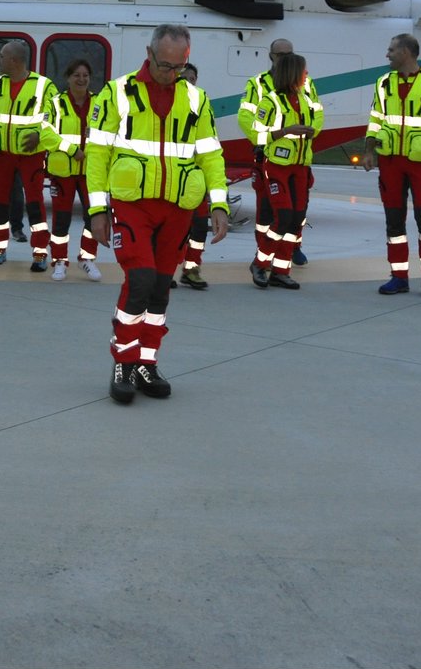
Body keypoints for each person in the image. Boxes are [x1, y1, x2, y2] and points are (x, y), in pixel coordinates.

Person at [87, 24, 230, 404]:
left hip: (179, 208)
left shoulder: (197, 99)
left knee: (161, 290)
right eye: (161, 64)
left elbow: (211, 155)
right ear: (149, 53)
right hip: (132, 204)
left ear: (186, 60)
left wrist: (219, 203)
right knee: (140, 281)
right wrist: (97, 209)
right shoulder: (117, 93)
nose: (168, 73)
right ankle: (124, 362)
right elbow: (97, 155)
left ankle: (148, 362)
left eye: (176, 67)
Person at [363, 33, 421, 298]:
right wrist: (369, 151)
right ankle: (398, 276)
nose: (387, 54)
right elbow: (375, 120)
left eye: (391, 50)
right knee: (394, 222)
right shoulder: (383, 83)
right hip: (390, 162)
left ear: (406, 52)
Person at [239, 38, 321, 281]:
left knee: (296, 215)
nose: (285, 57)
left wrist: (310, 130)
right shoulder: (259, 86)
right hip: (271, 159)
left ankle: (282, 266)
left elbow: (318, 113)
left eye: (289, 53)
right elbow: (247, 120)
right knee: (270, 213)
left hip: (300, 160)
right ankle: (262, 257)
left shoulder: (306, 85)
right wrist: (277, 136)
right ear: (271, 56)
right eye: (280, 54)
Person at [0, 39, 60, 271]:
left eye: (2, 56)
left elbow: (54, 120)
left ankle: (40, 253)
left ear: (14, 60)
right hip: (1, 154)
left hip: (30, 154)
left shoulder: (44, 86)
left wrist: (39, 137)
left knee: (34, 204)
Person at [46, 58, 102, 282]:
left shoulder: (99, 103)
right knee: (61, 219)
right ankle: (59, 261)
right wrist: (71, 150)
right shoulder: (56, 103)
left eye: (85, 75)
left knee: (93, 218)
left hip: (91, 173)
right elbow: (46, 134)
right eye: (77, 75)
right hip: (62, 172)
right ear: (68, 78)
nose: (81, 79)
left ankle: (87, 258)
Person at [175, 62, 212, 290]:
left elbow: (210, 145)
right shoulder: (168, 107)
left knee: (199, 228)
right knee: (174, 229)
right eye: (184, 78)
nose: (189, 83)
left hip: (197, 179)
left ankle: (192, 269)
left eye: (193, 79)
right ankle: (166, 270)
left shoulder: (202, 106)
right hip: (174, 178)